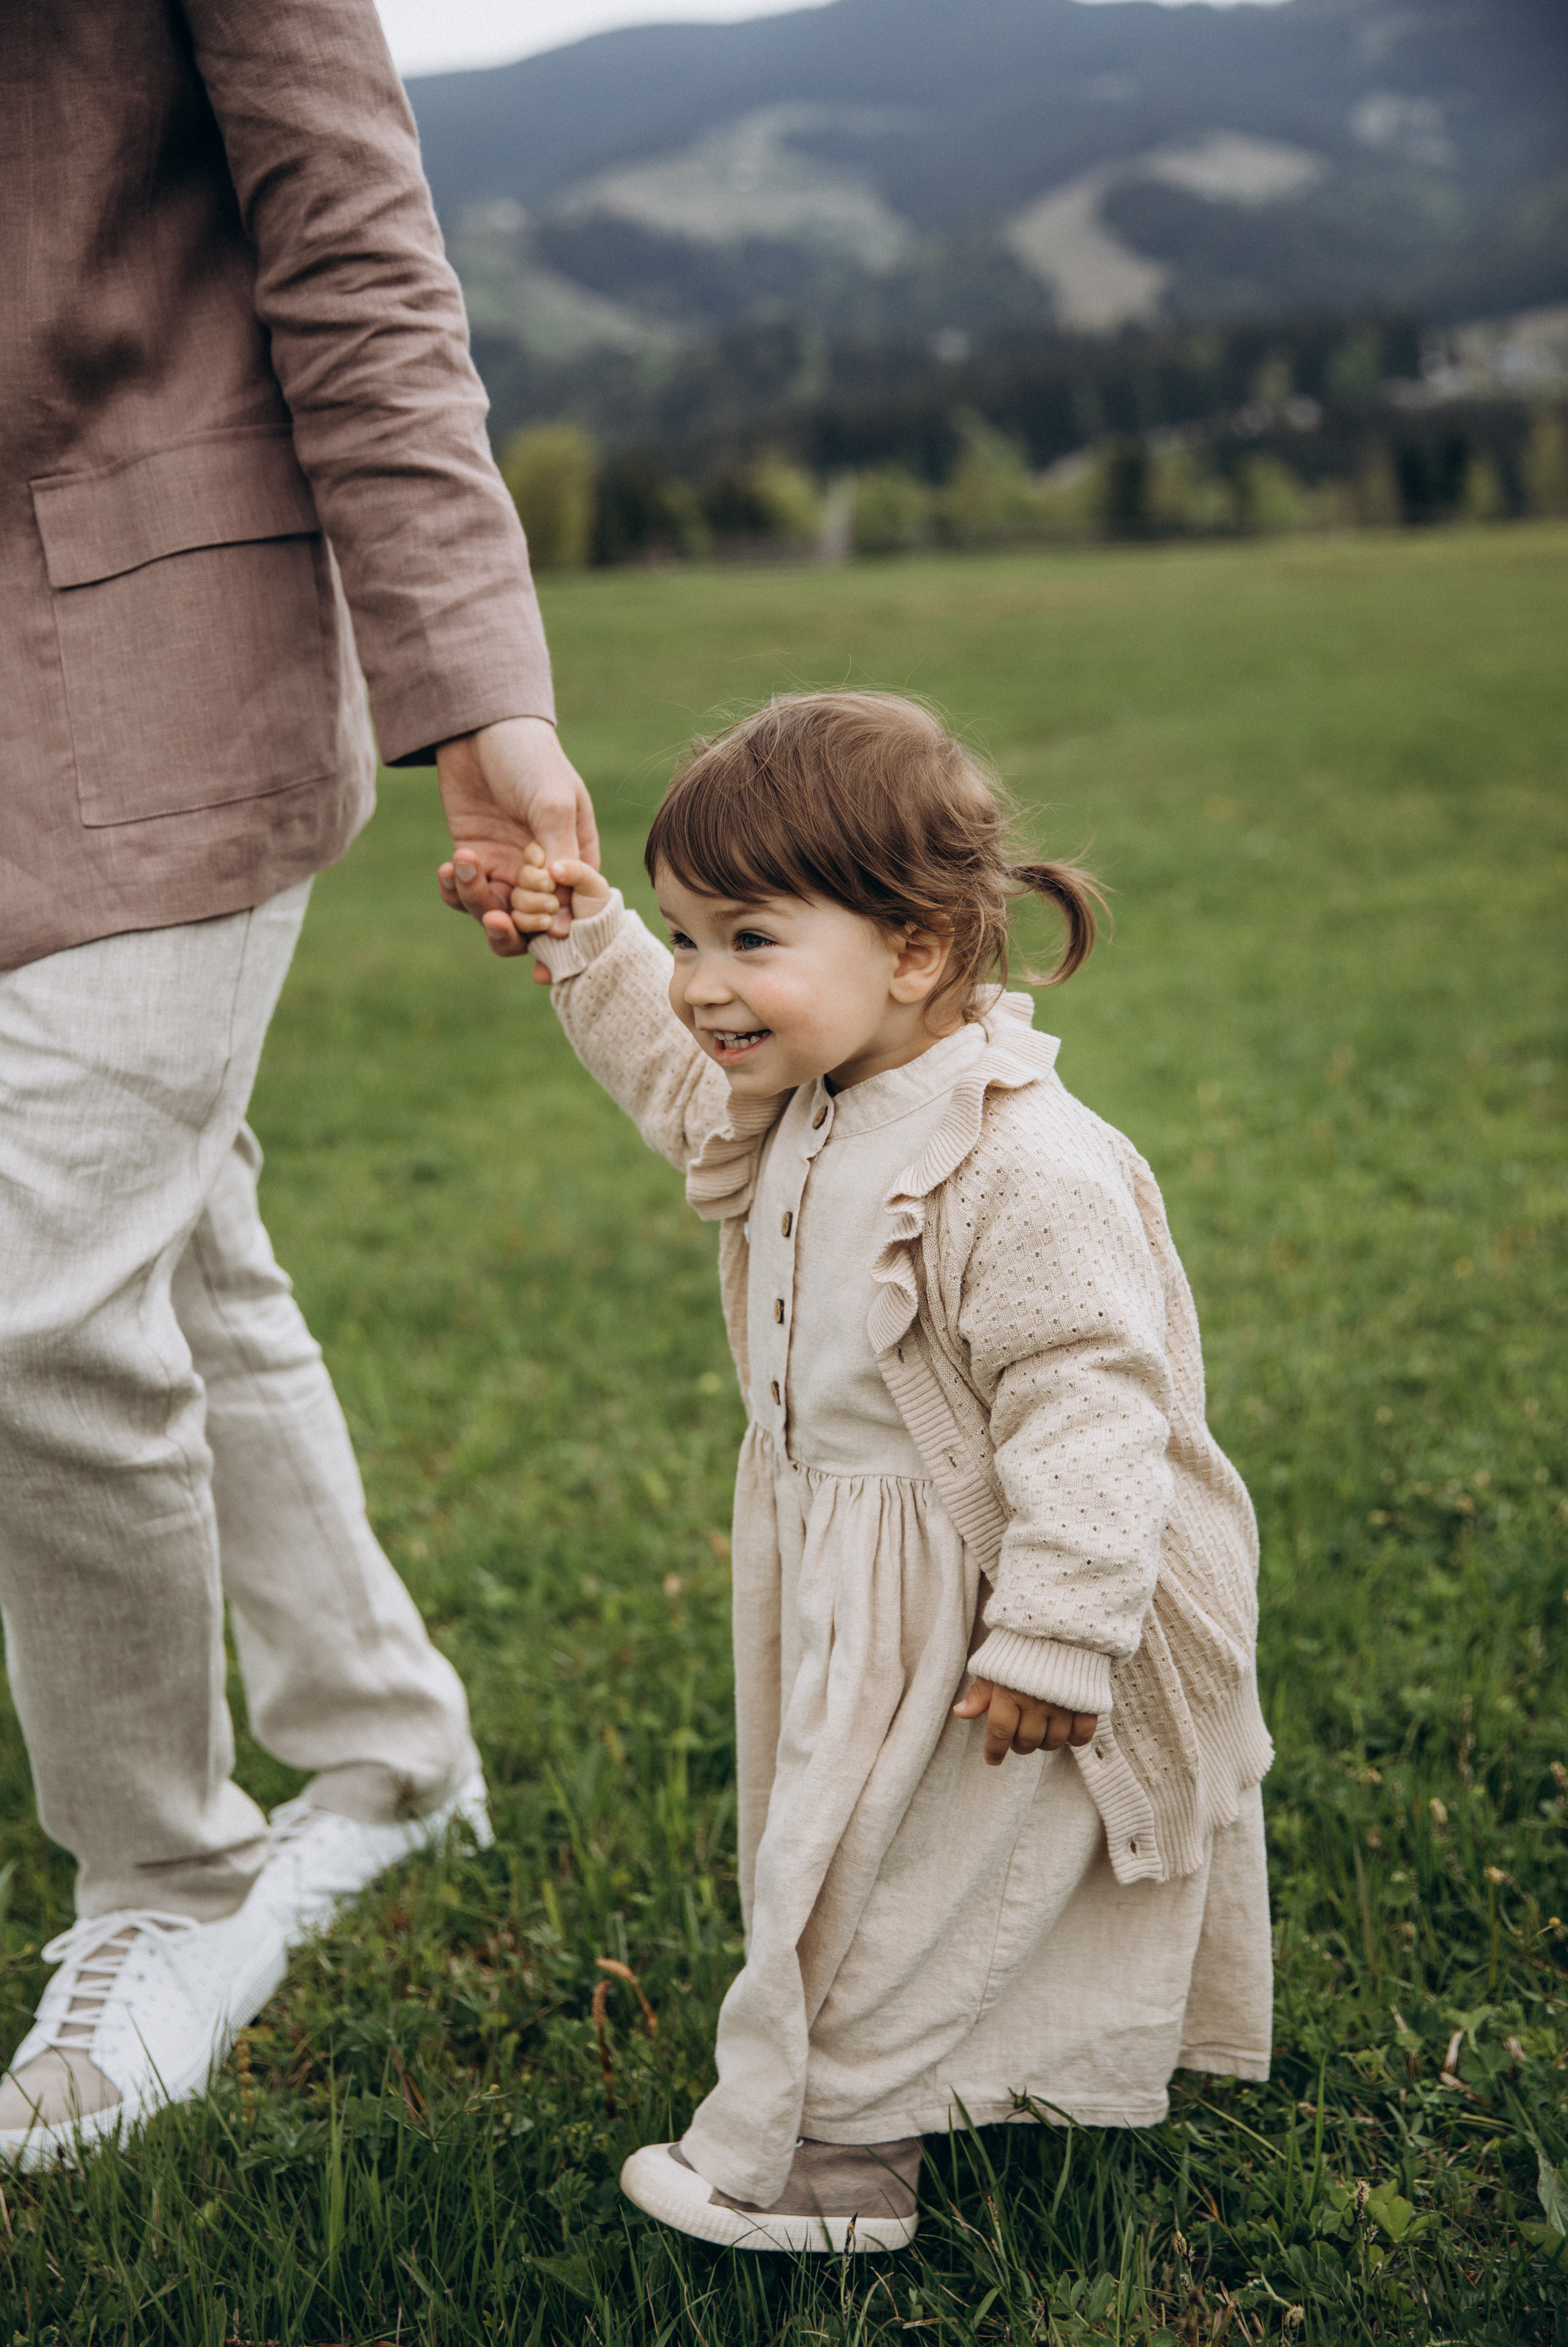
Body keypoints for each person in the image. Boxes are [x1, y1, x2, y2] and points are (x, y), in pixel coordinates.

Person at [0, 0, 595, 2169]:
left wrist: (477, 690)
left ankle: (167, 1877)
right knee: (189, 1247)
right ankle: (392, 1741)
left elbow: (351, 234)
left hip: (159, 649)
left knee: (37, 1300)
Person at [475, 692, 1274, 2253]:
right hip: (847, 1564)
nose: (705, 985)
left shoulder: (1020, 1164)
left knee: (900, 1882)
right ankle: (894, 2116)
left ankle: (835, 2173)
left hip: (993, 1588)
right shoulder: (812, 1089)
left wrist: (1055, 1628)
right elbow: (674, 1068)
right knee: (842, 1853)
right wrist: (588, 941)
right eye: (688, 934)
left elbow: (1096, 1402)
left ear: (911, 951)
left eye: (746, 941)